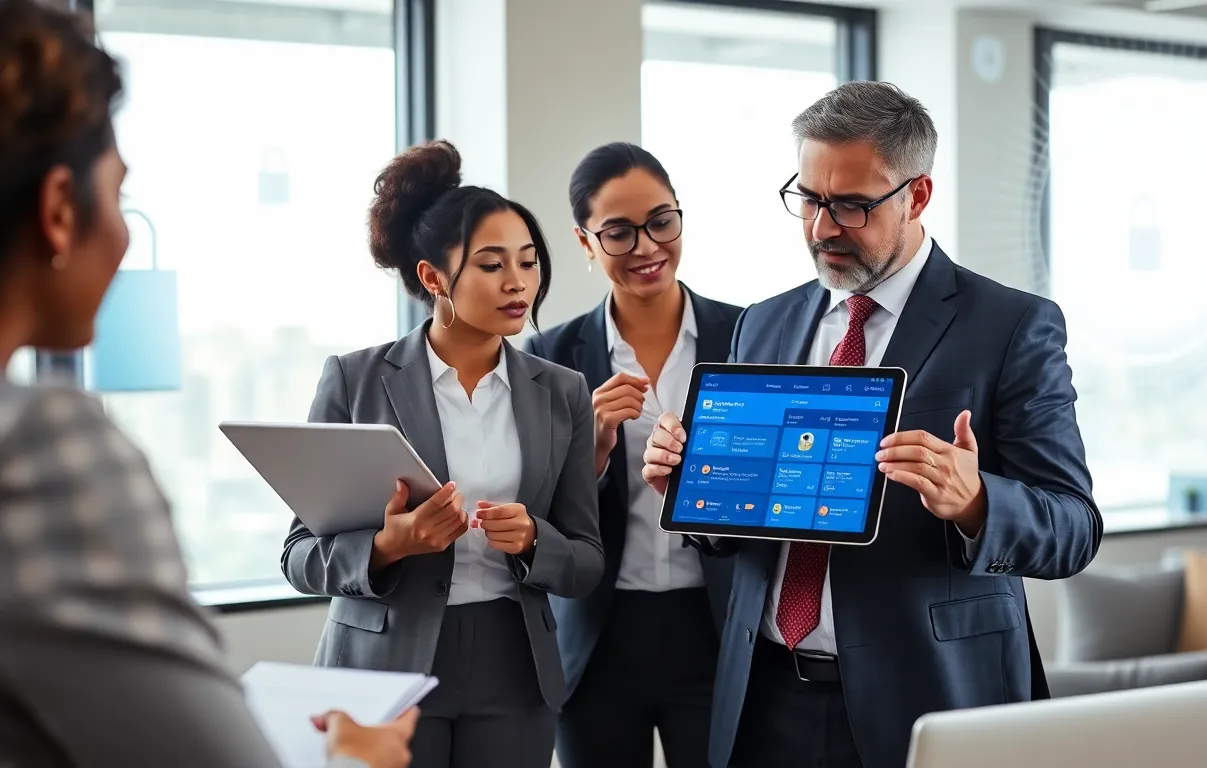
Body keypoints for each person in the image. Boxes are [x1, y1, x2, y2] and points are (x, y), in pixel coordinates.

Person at [0, 1, 418, 766]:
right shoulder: (37, 450)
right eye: (119, 194)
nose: (125, 235)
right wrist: (356, 756)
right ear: (60, 209)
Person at [641, 81, 1103, 768]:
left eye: (852, 205)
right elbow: (738, 526)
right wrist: (691, 487)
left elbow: (1074, 528)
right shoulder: (761, 322)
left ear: (916, 196)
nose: (824, 227)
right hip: (763, 698)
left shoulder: (1010, 326)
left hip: (927, 701)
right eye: (809, 199)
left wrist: (978, 503)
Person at [281, 138, 604, 768]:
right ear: (433, 278)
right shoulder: (355, 380)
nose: (519, 282)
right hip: (381, 671)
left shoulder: (562, 391)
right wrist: (389, 545)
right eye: (491, 265)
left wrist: (536, 540)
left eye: (529, 261)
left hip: (517, 670)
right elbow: (299, 558)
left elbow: (586, 561)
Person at [523, 143, 742, 768]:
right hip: (597, 637)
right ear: (586, 244)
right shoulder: (550, 359)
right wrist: (588, 454)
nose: (647, 247)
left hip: (717, 626)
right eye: (618, 233)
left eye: (661, 221)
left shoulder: (747, 335)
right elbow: (527, 517)